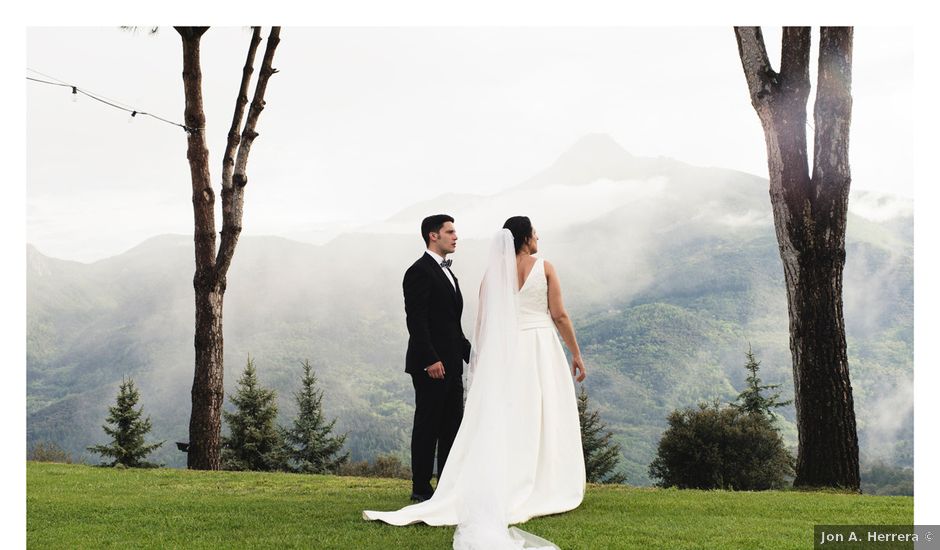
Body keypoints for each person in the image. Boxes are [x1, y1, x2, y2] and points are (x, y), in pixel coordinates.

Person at [364, 216, 586, 550]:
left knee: (487, 420)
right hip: (536, 349)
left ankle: (453, 485)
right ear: (525, 238)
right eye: (535, 232)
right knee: (540, 412)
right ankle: (426, 486)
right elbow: (559, 315)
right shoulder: (545, 267)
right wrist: (577, 353)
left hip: (508, 354)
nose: (538, 237)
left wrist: (479, 359)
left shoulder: (490, 277)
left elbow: (481, 324)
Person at [402, 214, 472, 502]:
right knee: (428, 426)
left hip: (453, 364)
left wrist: (474, 355)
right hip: (431, 366)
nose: (456, 237)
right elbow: (416, 321)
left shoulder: (448, 272)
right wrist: (430, 359)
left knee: (452, 426)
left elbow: (450, 325)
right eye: (450, 232)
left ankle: (446, 485)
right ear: (433, 235)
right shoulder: (418, 271)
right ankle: (420, 488)